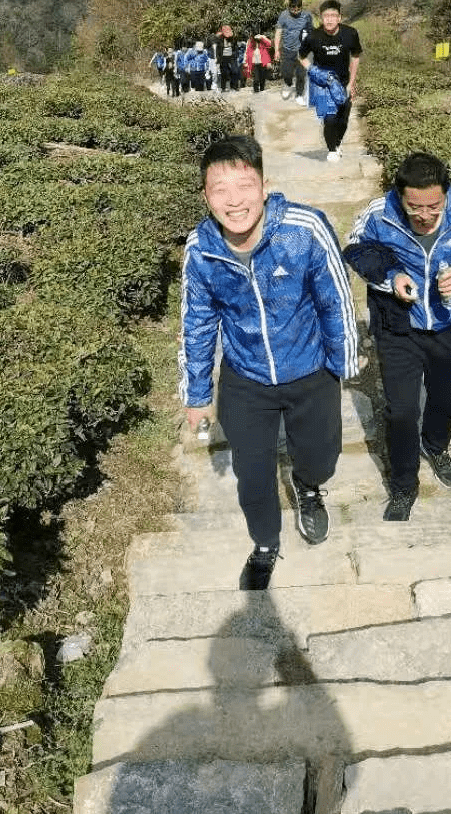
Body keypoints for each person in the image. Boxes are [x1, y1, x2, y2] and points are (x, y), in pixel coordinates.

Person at [180, 134, 359, 590]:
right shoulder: (201, 250)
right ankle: (264, 542)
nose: (234, 201)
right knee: (252, 474)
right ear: (205, 195)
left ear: (264, 186)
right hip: (246, 378)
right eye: (219, 190)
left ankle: (309, 487)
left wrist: (343, 361)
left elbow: (335, 298)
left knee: (320, 457)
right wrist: (197, 395)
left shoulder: (305, 228)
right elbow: (197, 323)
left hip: (310, 369)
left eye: (244, 186)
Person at [343, 151, 451, 521]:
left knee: (447, 397)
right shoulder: (379, 213)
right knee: (401, 410)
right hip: (399, 327)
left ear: (446, 195)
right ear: (399, 197)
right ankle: (404, 485)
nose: (424, 215)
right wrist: (391, 278)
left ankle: (435, 445)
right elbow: (355, 248)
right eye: (414, 207)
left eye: (433, 206)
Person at [298, 0, 362, 162]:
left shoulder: (350, 34)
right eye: (326, 16)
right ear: (321, 18)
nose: (330, 19)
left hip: (343, 82)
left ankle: (337, 142)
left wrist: (351, 83)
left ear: (340, 18)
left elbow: (355, 57)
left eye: (333, 16)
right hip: (322, 83)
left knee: (343, 118)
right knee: (329, 117)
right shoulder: (314, 36)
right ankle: (332, 149)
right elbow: (301, 56)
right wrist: (313, 70)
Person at [274, 0, 313, 104]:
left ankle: (299, 95)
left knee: (301, 74)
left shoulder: (307, 16)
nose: (295, 12)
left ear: (301, 7)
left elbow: (311, 31)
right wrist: (276, 49)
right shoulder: (284, 15)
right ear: (289, 7)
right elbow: (278, 32)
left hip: (302, 50)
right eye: (293, 9)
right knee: (287, 72)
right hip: (287, 49)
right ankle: (287, 84)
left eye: (298, 9)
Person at [215, 26, 240, 92]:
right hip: (223, 57)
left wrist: (236, 56)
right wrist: (217, 59)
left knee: (235, 71)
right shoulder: (219, 39)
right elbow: (217, 49)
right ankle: (223, 87)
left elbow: (235, 47)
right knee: (224, 72)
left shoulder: (233, 39)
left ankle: (234, 86)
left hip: (232, 56)